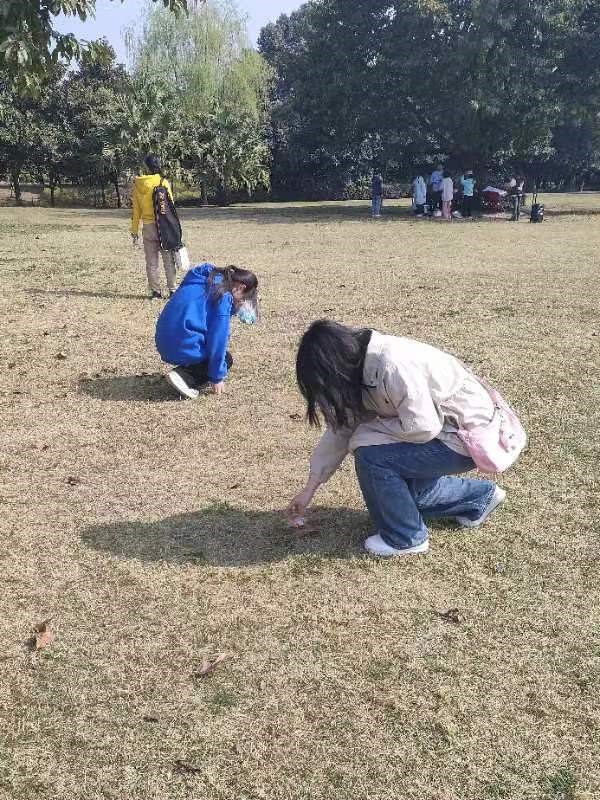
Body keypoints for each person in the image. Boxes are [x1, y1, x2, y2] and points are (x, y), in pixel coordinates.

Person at [287, 320, 510, 558]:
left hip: (467, 436)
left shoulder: (392, 365)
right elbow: (343, 428)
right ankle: (480, 497)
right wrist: (310, 488)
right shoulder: (358, 369)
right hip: (448, 430)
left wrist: (370, 434)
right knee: (400, 497)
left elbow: (423, 427)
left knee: (372, 456)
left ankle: (405, 538)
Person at [155, 263, 258, 399]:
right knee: (226, 359)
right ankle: (185, 377)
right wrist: (217, 376)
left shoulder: (200, 278)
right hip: (181, 345)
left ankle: (187, 368)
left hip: (163, 340)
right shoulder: (223, 297)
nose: (240, 302)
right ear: (241, 287)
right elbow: (218, 340)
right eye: (243, 298)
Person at [131, 153, 177, 299]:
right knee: (168, 259)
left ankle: (156, 291)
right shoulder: (163, 182)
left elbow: (136, 210)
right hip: (163, 226)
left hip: (148, 227)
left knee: (151, 261)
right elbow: (171, 206)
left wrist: (134, 229)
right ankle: (172, 289)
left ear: (146, 167)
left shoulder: (138, 184)